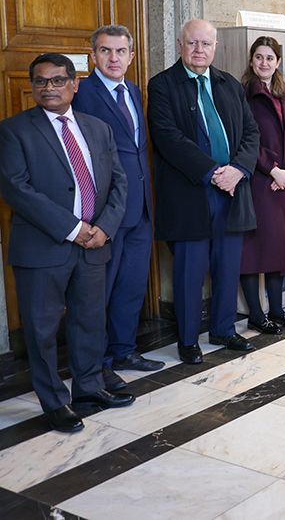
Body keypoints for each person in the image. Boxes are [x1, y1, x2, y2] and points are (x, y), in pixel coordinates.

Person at [0, 53, 131, 433]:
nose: (49, 87)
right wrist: (74, 229)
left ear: (74, 84)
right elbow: (16, 189)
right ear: (32, 87)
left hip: (95, 244)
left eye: (58, 80)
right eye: (41, 81)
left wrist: (104, 227)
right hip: (43, 248)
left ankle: (88, 388)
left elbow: (118, 181)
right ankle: (55, 402)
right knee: (41, 331)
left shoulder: (98, 128)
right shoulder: (13, 131)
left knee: (89, 322)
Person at [147, 19, 260, 364]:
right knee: (190, 271)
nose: (199, 50)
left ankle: (223, 329)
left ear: (215, 48)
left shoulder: (229, 84)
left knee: (227, 266)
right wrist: (212, 173)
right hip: (190, 192)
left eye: (206, 44)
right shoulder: (163, 85)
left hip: (232, 190)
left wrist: (238, 170)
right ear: (180, 45)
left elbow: (251, 133)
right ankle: (188, 339)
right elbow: (168, 138)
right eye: (192, 43)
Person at [73, 25, 163, 392]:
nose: (114, 58)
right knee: (101, 292)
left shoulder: (134, 91)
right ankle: (99, 364)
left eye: (121, 51)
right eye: (106, 51)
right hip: (106, 210)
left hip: (141, 207)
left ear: (131, 55)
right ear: (93, 55)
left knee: (131, 284)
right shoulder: (82, 93)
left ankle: (124, 350)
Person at [238, 37, 285, 335]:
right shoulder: (243, 94)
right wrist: (273, 170)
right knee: (254, 250)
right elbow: (244, 139)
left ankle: (277, 310)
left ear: (278, 62)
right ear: (251, 60)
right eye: (259, 57)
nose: (264, 63)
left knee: (280, 247)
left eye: (270, 58)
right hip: (259, 180)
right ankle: (256, 314)